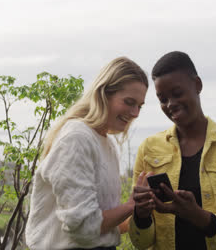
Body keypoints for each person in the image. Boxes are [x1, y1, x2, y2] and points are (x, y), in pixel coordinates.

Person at [128, 51, 216, 250]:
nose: (170, 104)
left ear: (198, 85)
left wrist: (198, 216)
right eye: (162, 99)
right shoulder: (149, 149)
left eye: (177, 93)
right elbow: (142, 242)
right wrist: (141, 216)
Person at [25, 57, 148, 250]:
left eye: (140, 106)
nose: (135, 113)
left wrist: (141, 208)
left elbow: (105, 228)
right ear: (104, 94)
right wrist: (129, 205)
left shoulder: (106, 144)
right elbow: (84, 228)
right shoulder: (76, 138)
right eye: (129, 102)